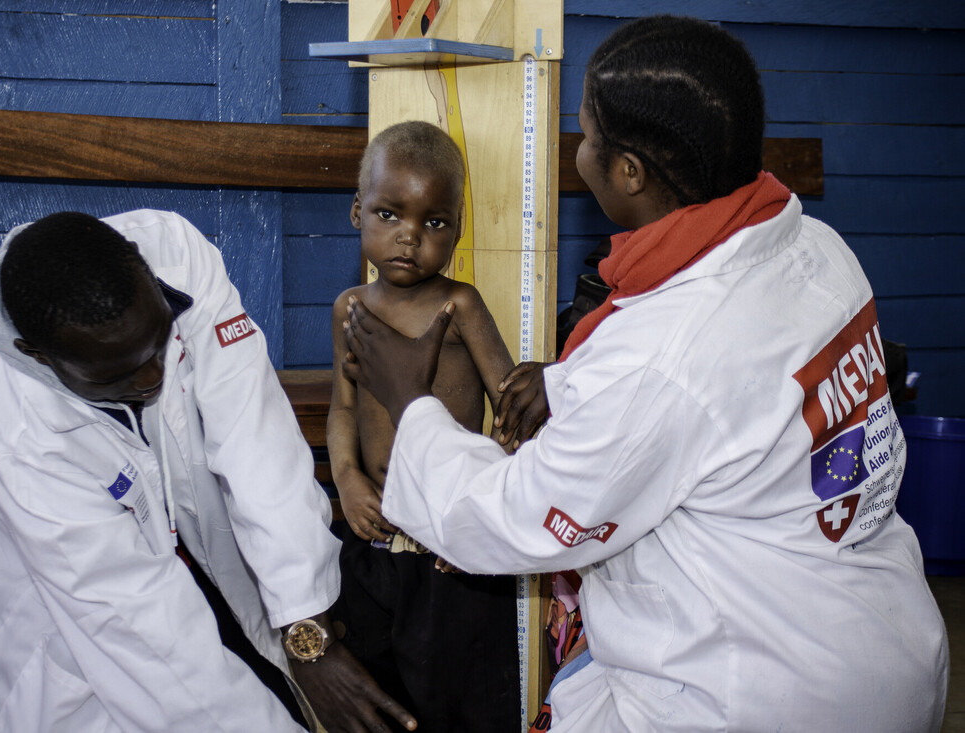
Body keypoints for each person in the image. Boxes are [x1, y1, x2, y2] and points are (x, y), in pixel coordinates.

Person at [339, 15, 949, 732]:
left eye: (587, 135)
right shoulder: (814, 247)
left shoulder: (665, 357)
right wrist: (567, 383)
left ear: (627, 173)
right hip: (877, 638)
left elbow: (516, 517)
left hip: (761, 691)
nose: (580, 150)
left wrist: (412, 406)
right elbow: (711, 385)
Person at [0, 209, 417, 733]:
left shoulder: (175, 252)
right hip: (73, 613)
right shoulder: (21, 444)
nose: (154, 376)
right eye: (119, 375)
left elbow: (257, 439)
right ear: (36, 354)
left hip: (175, 541)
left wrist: (306, 628)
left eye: (159, 340)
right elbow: (148, 639)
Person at [326, 120, 520, 732]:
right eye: (389, 214)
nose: (409, 238)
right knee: (381, 694)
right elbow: (344, 408)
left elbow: (512, 407)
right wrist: (348, 480)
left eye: (433, 223)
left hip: (449, 555)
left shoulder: (459, 306)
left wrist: (479, 512)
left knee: (463, 700)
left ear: (457, 232)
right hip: (376, 537)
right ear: (358, 211)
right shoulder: (350, 308)